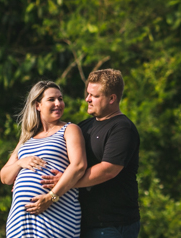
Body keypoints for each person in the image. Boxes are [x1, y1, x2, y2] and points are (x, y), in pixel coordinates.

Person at [41, 69, 140, 238]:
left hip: (112, 224)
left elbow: (108, 170)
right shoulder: (85, 126)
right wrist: (26, 176)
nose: (87, 99)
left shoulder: (122, 128)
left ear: (111, 99)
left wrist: (67, 182)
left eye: (94, 96)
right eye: (88, 94)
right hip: (81, 223)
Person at [0, 81, 87, 238]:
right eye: (51, 99)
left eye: (60, 99)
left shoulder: (69, 129)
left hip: (56, 219)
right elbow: (5, 177)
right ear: (37, 105)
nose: (58, 103)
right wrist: (20, 162)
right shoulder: (26, 138)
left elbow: (79, 166)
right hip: (19, 224)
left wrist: (51, 197)